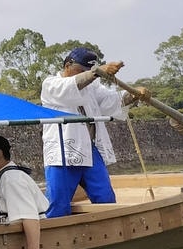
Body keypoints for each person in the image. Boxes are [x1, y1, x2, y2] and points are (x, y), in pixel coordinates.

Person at [40, 47, 127, 219]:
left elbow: (110, 102)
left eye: (88, 71)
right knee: (58, 204)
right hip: (62, 151)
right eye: (81, 70)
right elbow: (70, 87)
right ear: (67, 65)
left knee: (105, 198)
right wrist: (96, 72)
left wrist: (133, 96)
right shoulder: (51, 84)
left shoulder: (92, 87)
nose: (85, 75)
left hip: (89, 149)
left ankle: (107, 227)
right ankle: (53, 231)